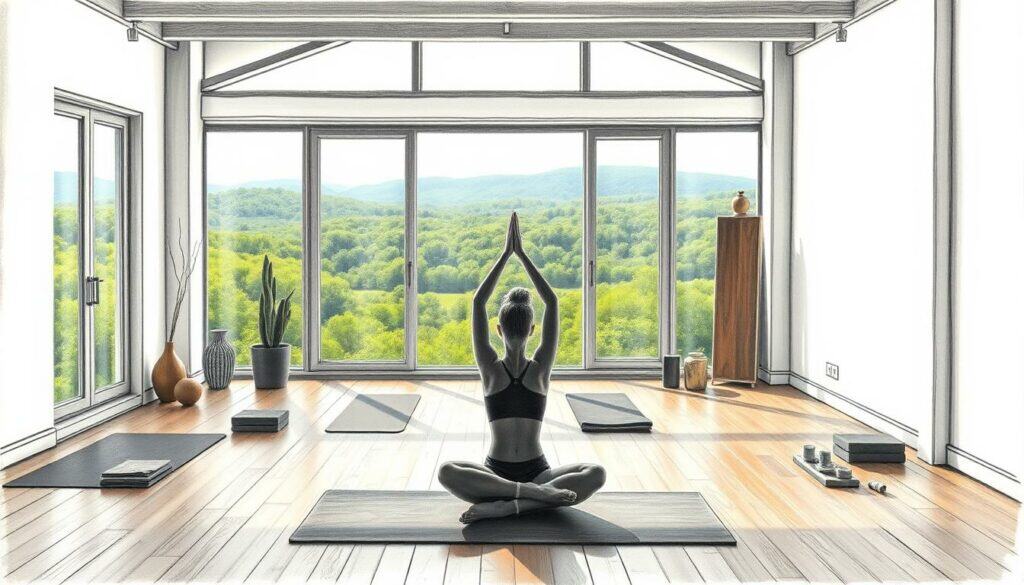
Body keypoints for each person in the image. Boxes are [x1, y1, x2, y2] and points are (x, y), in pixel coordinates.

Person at [437, 212, 606, 524]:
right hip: (531, 476)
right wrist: (522, 255)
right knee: (595, 474)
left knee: (446, 471)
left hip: (497, 480)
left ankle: (511, 503)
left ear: (498, 330)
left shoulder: (490, 369)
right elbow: (552, 302)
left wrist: (506, 254)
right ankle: (532, 496)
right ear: (532, 331)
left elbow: (477, 302)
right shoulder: (540, 370)